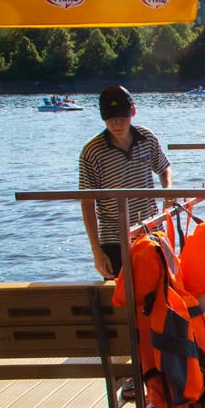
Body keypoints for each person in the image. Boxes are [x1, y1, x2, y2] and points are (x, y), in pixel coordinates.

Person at [79, 84, 171, 278]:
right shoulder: (92, 151)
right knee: (121, 298)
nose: (117, 124)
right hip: (114, 238)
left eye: (122, 118)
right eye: (111, 119)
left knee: (162, 290)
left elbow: (163, 168)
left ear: (133, 112)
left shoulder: (146, 138)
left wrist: (168, 191)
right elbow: (87, 203)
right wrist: (97, 252)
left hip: (151, 230)